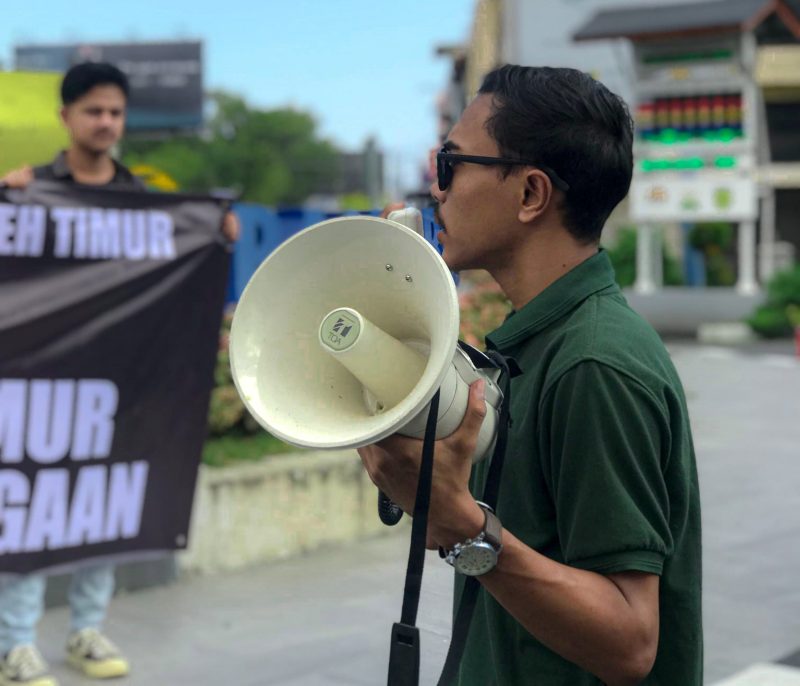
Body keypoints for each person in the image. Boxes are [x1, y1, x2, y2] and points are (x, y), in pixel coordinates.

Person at [359, 65, 702, 685]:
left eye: (450, 164)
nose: (435, 188)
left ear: (530, 194)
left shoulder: (594, 365)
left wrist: (463, 525)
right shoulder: (539, 341)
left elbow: (630, 641)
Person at [0, 61, 236, 686]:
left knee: (106, 502)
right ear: (66, 116)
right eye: (93, 111)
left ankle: (86, 630)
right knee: (31, 502)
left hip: (120, 382)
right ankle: (14, 644)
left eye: (115, 112)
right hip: (40, 382)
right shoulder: (28, 189)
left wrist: (216, 235)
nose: (106, 122)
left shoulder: (146, 200)